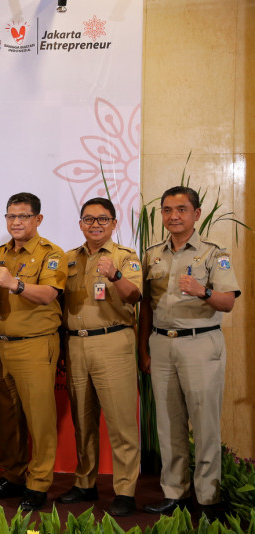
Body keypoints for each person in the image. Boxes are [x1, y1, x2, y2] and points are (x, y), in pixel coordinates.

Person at [139, 186, 240, 519]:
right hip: (161, 344)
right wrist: (144, 349)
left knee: (205, 423)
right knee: (168, 425)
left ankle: (208, 499)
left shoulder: (214, 253)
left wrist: (203, 291)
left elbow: (228, 302)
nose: (174, 216)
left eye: (181, 210)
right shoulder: (152, 255)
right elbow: (146, 307)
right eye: (167, 210)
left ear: (196, 214)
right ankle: (175, 494)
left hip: (200, 343)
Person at [0, 192, 67, 511]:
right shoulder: (1, 253)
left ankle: (39, 483)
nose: (16, 222)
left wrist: (16, 284)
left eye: (23, 216)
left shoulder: (51, 253)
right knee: (7, 418)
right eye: (11, 216)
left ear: (38, 219)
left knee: (39, 419)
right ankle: (13, 475)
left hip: (35, 344)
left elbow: (49, 294)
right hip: (2, 345)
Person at [58, 198, 142, 517]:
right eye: (89, 219)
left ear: (114, 223)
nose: (95, 225)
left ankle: (125, 490)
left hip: (113, 341)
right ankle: (85, 482)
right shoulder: (67, 259)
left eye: (102, 219)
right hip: (75, 344)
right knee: (83, 419)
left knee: (121, 422)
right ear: (80, 224)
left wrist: (116, 275)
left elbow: (135, 295)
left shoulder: (125, 257)